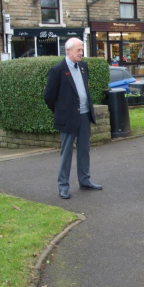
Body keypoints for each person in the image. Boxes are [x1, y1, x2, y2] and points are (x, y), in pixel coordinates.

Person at [44, 37, 101, 199]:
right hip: (68, 118)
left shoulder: (83, 66)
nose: (81, 53)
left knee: (84, 150)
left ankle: (85, 180)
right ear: (68, 51)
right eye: (78, 50)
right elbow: (49, 96)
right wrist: (61, 112)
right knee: (66, 152)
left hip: (84, 115)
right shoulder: (57, 70)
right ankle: (63, 186)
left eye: (82, 50)